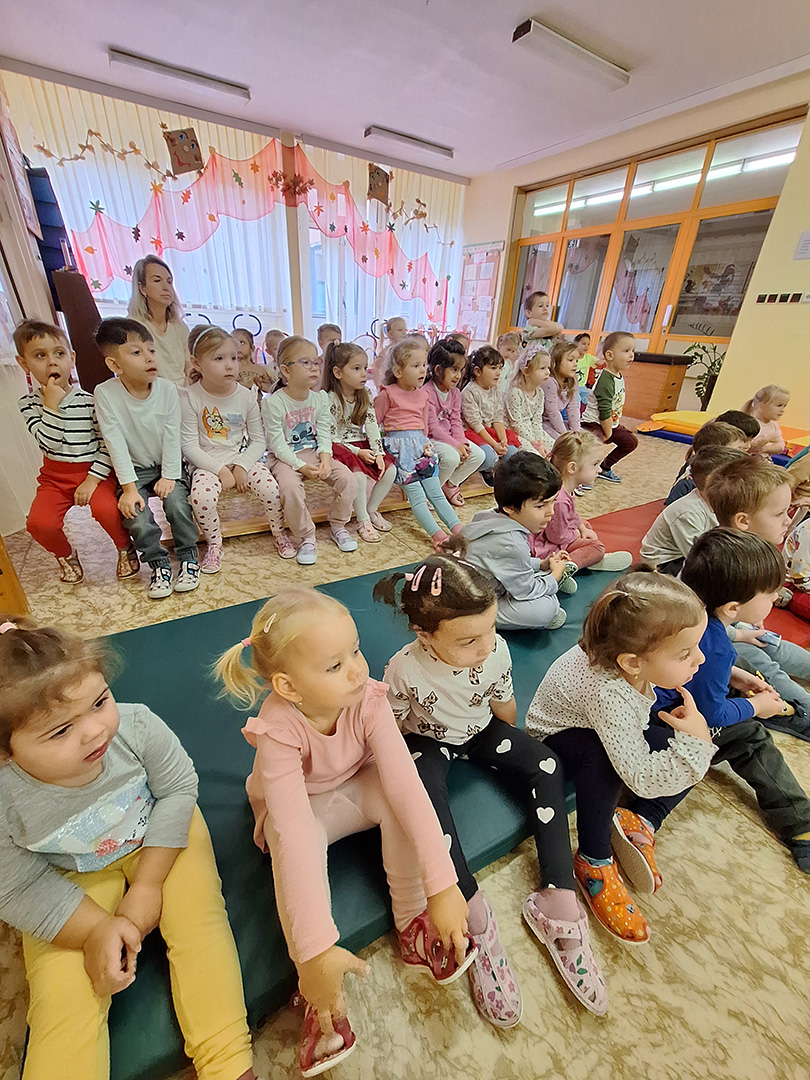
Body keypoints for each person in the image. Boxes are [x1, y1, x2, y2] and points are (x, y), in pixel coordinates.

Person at [215, 588, 471, 1077]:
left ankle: (411, 920)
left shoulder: (367, 698)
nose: (357, 669)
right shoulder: (278, 729)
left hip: (355, 786)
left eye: (355, 651)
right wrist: (314, 953)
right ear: (289, 687)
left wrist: (443, 885)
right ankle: (318, 992)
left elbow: (407, 787)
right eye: (335, 666)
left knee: (397, 799)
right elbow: (293, 835)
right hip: (303, 809)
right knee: (294, 847)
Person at [0, 616, 255, 1080]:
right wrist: (96, 930)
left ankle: (229, 1063)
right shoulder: (6, 797)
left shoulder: (136, 726)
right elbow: (17, 887)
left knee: (199, 921)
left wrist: (149, 885)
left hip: (158, 836)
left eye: (100, 702)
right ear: (6, 751)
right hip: (67, 876)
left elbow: (178, 789)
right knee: (61, 990)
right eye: (59, 731)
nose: (95, 731)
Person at [376, 554, 607, 1021]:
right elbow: (393, 728)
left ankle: (557, 899)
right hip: (428, 741)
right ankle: (470, 909)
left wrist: (513, 745)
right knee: (422, 794)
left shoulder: (495, 649)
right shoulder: (403, 669)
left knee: (546, 763)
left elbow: (503, 704)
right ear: (424, 634)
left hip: (481, 731)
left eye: (490, 630)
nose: (485, 646)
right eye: (468, 640)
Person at [526, 571, 716, 942]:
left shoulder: (626, 658)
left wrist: (693, 743)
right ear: (632, 663)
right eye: (685, 653)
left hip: (602, 725)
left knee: (680, 745)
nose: (700, 658)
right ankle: (593, 861)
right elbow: (639, 777)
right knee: (615, 761)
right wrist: (696, 743)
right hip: (557, 740)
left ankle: (640, 819)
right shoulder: (608, 693)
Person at [621, 531, 810, 879]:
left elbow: (697, 668)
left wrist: (735, 675)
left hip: (643, 711)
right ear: (733, 608)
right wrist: (756, 708)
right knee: (750, 736)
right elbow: (710, 716)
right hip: (655, 728)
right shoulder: (716, 644)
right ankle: (801, 826)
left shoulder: (688, 615)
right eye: (770, 593)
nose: (776, 598)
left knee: (743, 677)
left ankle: (784, 711)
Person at [14, 319, 138, 584]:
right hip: (54, 477)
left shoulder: (91, 401)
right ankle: (66, 554)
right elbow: (49, 443)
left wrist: (92, 480)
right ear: (24, 364)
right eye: (40, 356)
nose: (52, 362)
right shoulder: (28, 404)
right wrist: (51, 406)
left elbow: (107, 445)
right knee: (39, 523)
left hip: (94, 472)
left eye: (59, 354)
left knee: (107, 509)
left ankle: (124, 547)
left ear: (71, 358)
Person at [94, 318, 200, 600]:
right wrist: (129, 489)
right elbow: (114, 443)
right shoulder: (105, 394)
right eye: (136, 352)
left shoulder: (167, 389)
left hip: (168, 465)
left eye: (151, 350)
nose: (149, 358)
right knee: (136, 518)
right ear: (115, 364)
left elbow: (172, 435)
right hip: (134, 471)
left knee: (177, 505)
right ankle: (158, 564)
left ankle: (188, 557)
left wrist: (169, 475)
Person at [706, 457, 810, 737]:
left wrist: (746, 627)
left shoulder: (754, 550)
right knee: (764, 665)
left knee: (778, 647)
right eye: (779, 514)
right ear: (743, 521)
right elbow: (698, 627)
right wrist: (739, 634)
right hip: (719, 643)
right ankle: (801, 711)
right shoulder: (717, 559)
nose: (788, 520)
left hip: (738, 629)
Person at [180, 325, 292, 572]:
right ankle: (214, 544)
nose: (230, 366)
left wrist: (241, 465)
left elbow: (259, 441)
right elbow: (189, 445)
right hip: (207, 462)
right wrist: (221, 470)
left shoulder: (247, 396)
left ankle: (279, 533)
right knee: (201, 498)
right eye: (219, 359)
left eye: (234, 358)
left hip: (244, 457)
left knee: (271, 489)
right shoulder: (189, 397)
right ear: (196, 363)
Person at [262, 336, 357, 565]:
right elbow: (277, 445)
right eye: (306, 362)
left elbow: (324, 432)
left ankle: (338, 525)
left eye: (316, 362)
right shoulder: (274, 403)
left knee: (348, 480)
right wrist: (301, 466)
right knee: (290, 489)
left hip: (314, 452)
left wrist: (325, 459)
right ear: (286, 370)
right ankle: (306, 536)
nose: (314, 368)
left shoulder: (320, 398)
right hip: (285, 458)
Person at [463, 452, 569, 630]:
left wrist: (541, 564)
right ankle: (548, 585)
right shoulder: (511, 542)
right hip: (470, 606)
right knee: (545, 610)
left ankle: (545, 580)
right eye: (540, 506)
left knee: (535, 581)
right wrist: (554, 577)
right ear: (510, 508)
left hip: (473, 586)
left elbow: (501, 562)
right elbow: (525, 591)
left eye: (553, 502)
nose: (551, 512)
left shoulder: (491, 515)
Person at [374, 338, 461, 548]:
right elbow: (373, 423)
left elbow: (423, 428)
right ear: (398, 371)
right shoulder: (387, 394)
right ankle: (437, 535)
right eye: (415, 366)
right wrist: (380, 451)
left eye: (424, 364)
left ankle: (459, 529)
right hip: (400, 451)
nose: (423, 370)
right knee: (417, 497)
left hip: (422, 449)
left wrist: (427, 448)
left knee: (436, 493)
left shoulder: (423, 396)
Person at [323, 341, 396, 542]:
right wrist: (357, 453)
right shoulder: (330, 399)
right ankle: (362, 519)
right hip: (338, 446)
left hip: (360, 444)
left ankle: (372, 510)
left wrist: (378, 452)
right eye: (356, 369)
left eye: (365, 368)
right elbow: (332, 437)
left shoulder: (365, 394)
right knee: (359, 477)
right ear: (338, 372)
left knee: (390, 470)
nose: (364, 374)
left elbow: (371, 425)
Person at [530, 431, 632, 573]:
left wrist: (582, 528)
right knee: (597, 548)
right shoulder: (559, 500)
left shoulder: (566, 488)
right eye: (595, 464)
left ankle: (584, 560)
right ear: (572, 468)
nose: (599, 470)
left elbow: (572, 514)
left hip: (556, 538)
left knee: (585, 524)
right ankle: (562, 567)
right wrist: (577, 533)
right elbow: (557, 537)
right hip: (548, 547)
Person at [641, 447, 747, 574]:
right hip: (663, 563)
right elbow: (697, 557)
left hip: (686, 554)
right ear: (713, 482)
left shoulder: (718, 503)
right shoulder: (689, 512)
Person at [424, 337, 487, 508]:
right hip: (432, 438)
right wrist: (455, 445)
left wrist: (461, 442)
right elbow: (433, 428)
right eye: (454, 370)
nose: (458, 375)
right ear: (438, 370)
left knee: (479, 455)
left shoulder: (455, 393)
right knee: (451, 458)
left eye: (461, 370)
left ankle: (451, 484)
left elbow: (455, 420)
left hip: (449, 437)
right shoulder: (427, 393)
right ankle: (432, 492)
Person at [581, 331, 638, 483]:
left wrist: (615, 427)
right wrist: (608, 433)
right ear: (610, 355)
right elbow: (604, 411)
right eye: (626, 351)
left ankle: (604, 467)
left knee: (630, 442)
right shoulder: (606, 380)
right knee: (592, 451)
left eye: (633, 351)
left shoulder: (617, 376)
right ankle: (582, 476)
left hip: (609, 423)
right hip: (594, 423)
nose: (631, 355)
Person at [460, 346, 521, 483]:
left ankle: (495, 474)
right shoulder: (470, 392)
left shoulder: (496, 389)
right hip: (472, 432)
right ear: (477, 371)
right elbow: (475, 424)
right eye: (493, 368)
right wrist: (494, 444)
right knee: (490, 457)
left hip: (488, 430)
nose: (498, 372)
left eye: (500, 368)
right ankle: (474, 472)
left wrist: (503, 440)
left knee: (512, 453)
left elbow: (497, 417)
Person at [127, 255, 190, 386]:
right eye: (157, 280)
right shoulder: (133, 327)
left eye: (169, 282)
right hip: (154, 393)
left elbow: (189, 367)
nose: (166, 287)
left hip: (184, 392)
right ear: (142, 288)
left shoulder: (179, 326)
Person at [665, 420, 751, 505]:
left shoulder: (727, 477)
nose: (742, 453)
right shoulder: (689, 483)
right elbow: (670, 507)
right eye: (738, 449)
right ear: (716, 452)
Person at [504, 344, 554, 456]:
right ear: (526, 372)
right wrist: (535, 443)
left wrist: (540, 440)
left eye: (548, 368)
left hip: (532, 430)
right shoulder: (515, 392)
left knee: (556, 448)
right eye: (542, 368)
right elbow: (516, 423)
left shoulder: (540, 392)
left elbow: (537, 420)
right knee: (535, 454)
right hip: (515, 432)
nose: (548, 372)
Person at [542, 341, 582, 442]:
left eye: (576, 360)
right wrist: (565, 434)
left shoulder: (573, 381)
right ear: (556, 362)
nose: (575, 364)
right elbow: (552, 412)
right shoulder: (549, 381)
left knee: (584, 439)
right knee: (565, 443)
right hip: (545, 423)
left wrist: (576, 431)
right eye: (570, 360)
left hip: (558, 422)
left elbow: (573, 407)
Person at [743, 385, 790, 457]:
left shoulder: (774, 425)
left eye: (784, 406)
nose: (782, 410)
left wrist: (765, 448)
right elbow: (744, 447)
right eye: (779, 405)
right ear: (760, 406)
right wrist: (760, 443)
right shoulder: (749, 423)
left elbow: (781, 446)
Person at [371, 316, 407, 390]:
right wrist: (378, 385)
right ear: (390, 334)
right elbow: (376, 368)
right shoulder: (386, 351)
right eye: (400, 330)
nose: (404, 333)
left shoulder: (407, 349)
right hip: (389, 386)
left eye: (405, 330)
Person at [573, 333, 599, 407]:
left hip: (583, 386)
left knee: (592, 399)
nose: (586, 346)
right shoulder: (572, 358)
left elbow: (598, 362)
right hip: (573, 387)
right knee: (576, 400)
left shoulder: (588, 358)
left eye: (588, 344)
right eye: (584, 344)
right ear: (576, 344)